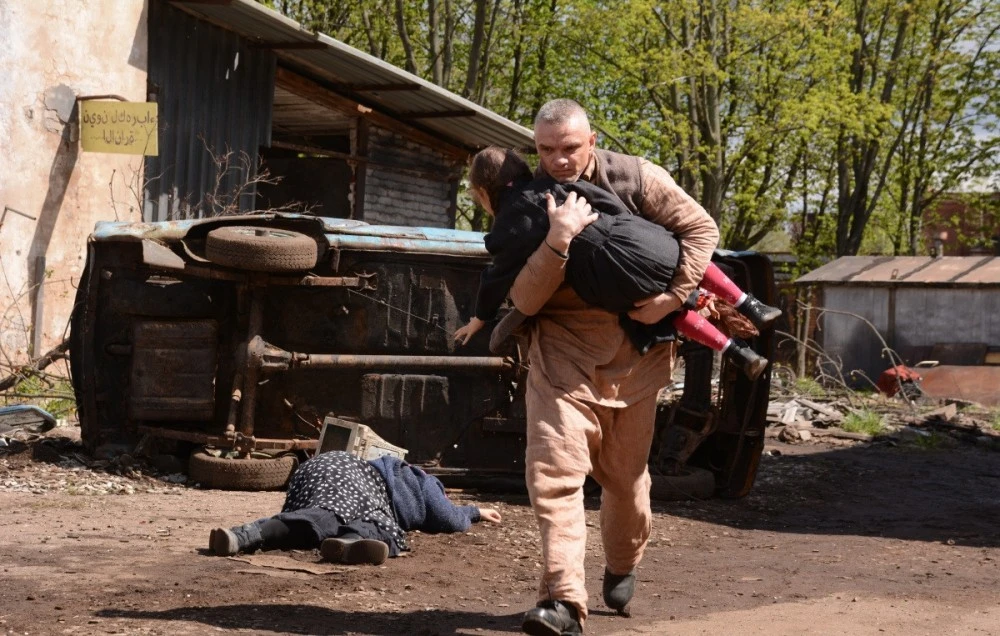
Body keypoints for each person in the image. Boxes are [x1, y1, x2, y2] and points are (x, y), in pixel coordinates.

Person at [497, 99, 730, 635]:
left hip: (636, 357)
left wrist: (673, 297)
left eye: (570, 148)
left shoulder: (636, 178)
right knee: (553, 477)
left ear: (592, 141)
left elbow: (701, 228)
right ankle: (563, 602)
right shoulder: (525, 204)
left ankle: (623, 562)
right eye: (546, 150)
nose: (558, 160)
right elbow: (523, 300)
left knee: (625, 483)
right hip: (561, 354)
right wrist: (557, 239)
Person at [453, 146, 780, 380]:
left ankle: (736, 352)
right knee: (680, 254)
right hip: (631, 236)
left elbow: (497, 276)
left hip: (610, 273)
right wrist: (628, 226)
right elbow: (601, 198)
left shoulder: (505, 229)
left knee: (663, 310)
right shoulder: (554, 184)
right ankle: (749, 303)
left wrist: (480, 318)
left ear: (482, 193)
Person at [208, 450, 502, 564]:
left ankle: (243, 535)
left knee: (317, 519)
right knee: (378, 523)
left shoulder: (380, 470)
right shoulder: (422, 481)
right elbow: (448, 518)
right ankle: (351, 541)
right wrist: (473, 512)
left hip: (318, 467)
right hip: (350, 475)